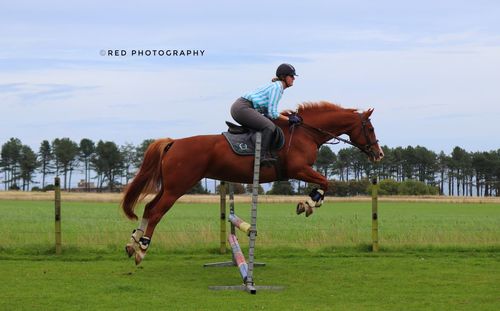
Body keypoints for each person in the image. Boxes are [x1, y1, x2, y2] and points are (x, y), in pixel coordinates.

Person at [231, 63, 301, 165]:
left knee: (268, 123)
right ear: (283, 77)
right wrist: (289, 119)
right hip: (243, 108)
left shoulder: (278, 87)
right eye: (291, 76)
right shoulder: (277, 87)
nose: (294, 78)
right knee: (269, 126)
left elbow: (269, 113)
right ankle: (261, 157)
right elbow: (272, 113)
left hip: (243, 107)